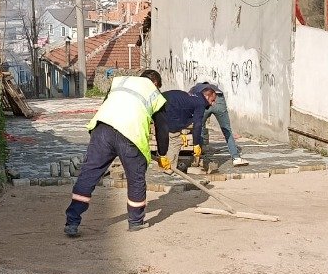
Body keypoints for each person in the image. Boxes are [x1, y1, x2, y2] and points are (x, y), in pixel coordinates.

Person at [64, 70, 168, 236]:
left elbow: (106, 107)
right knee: (136, 179)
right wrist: (162, 154)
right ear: (155, 83)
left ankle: (72, 221)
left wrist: (97, 140)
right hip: (131, 136)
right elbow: (162, 129)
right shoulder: (154, 93)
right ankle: (135, 222)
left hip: (102, 130)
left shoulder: (120, 83)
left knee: (89, 175)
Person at [156, 87, 217, 171]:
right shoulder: (201, 103)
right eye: (212, 100)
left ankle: (164, 162)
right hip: (167, 106)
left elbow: (187, 115)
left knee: (166, 136)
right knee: (175, 140)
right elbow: (198, 124)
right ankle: (169, 169)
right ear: (207, 97)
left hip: (162, 101)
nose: (213, 104)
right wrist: (196, 144)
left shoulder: (195, 97)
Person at [189, 82, 249, 166]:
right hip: (219, 99)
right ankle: (236, 158)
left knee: (200, 127)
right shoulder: (212, 88)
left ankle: (201, 154)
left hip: (205, 100)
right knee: (226, 129)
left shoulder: (194, 91)